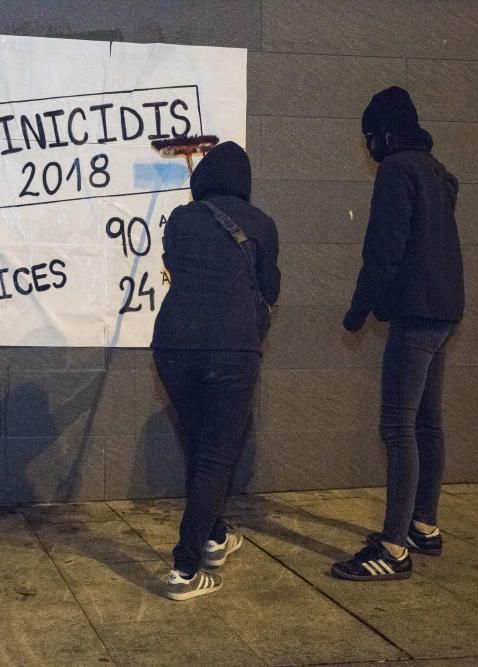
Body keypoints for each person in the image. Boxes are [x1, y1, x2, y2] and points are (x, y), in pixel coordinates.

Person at [331, 87, 464, 581]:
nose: (369, 145)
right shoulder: (435, 170)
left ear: (384, 132)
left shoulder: (397, 170)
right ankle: (422, 527)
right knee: (427, 423)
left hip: (415, 314)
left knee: (397, 427)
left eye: (370, 135)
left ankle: (392, 548)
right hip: (446, 311)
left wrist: (358, 309)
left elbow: (383, 250)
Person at [152, 141, 280, 600]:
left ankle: (214, 535)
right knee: (214, 455)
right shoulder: (262, 224)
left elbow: (172, 265)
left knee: (200, 442)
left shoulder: (183, 219)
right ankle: (185, 570)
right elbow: (270, 288)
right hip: (231, 349)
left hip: (173, 347)